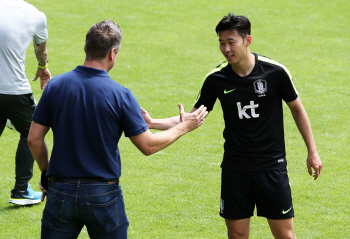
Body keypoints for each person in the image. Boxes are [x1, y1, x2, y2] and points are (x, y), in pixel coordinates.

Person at [141, 13, 323, 239]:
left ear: (247, 41)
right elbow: (192, 118)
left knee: (285, 235)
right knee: (236, 234)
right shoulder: (216, 79)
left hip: (271, 166)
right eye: (221, 43)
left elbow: (297, 109)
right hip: (235, 168)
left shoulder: (275, 72)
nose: (226, 49)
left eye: (231, 42)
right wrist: (152, 123)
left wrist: (312, 152)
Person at [27, 20, 208, 239]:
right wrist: (183, 127)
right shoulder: (120, 95)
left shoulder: (55, 86)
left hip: (60, 192)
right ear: (113, 53)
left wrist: (46, 174)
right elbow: (148, 146)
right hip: (103, 196)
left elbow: (34, 139)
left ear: (85, 48)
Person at [0, 0, 51, 205]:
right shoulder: (35, 15)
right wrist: (43, 66)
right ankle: (21, 191)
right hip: (14, 90)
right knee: (32, 132)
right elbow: (41, 51)